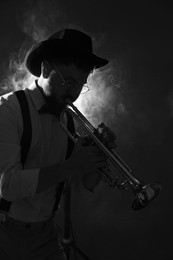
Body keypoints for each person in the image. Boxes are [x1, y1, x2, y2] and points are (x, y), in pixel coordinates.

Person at [0, 28, 116, 260]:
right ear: (45, 68)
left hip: (45, 235)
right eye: (68, 81)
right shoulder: (8, 110)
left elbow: (87, 183)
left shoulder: (69, 121)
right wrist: (72, 165)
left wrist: (100, 156)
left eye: (79, 85)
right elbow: (7, 186)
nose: (73, 93)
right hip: (4, 233)